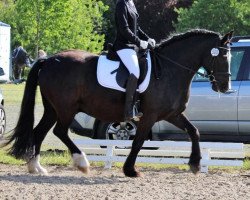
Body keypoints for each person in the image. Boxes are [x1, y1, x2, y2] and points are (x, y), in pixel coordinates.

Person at [113, 0, 156, 121]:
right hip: (124, 46)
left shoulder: (131, 3)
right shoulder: (121, 4)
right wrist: (139, 41)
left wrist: (148, 39)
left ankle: (140, 104)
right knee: (135, 71)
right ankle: (128, 111)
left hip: (134, 47)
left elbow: (137, 28)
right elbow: (124, 29)